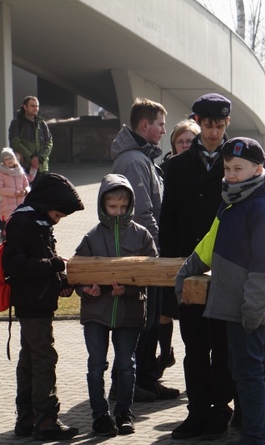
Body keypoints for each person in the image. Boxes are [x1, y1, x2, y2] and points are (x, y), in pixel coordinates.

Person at [176, 137, 265, 445]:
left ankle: (256, 437)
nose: (231, 174)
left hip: (248, 310)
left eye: (238, 168)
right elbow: (212, 242)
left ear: (258, 168)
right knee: (245, 373)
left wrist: (254, 309)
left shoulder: (262, 207)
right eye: (227, 168)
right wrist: (189, 268)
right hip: (233, 306)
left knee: (252, 376)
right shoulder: (232, 201)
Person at [159, 93, 236, 440]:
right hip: (188, 268)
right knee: (193, 345)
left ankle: (221, 409)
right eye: (208, 125)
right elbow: (168, 220)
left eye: (220, 125)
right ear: (197, 121)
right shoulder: (176, 166)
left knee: (222, 343)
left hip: (227, 265)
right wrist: (172, 269)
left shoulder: (238, 161)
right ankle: (196, 411)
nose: (214, 132)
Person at [74, 174, 157, 436]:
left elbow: (151, 273)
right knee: (96, 364)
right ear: (103, 205)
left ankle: (123, 412)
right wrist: (87, 289)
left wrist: (130, 289)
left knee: (126, 364)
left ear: (130, 205)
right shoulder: (92, 237)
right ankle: (100, 416)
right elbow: (76, 272)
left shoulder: (142, 236)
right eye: (113, 207)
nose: (118, 212)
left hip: (129, 312)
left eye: (123, 207)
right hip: (96, 311)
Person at [3, 173, 84, 440]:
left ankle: (26, 419)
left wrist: (60, 280)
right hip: (31, 304)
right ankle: (46, 420)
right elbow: (15, 265)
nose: (57, 220)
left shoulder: (37, 221)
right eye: (58, 215)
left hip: (38, 301)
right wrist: (56, 266)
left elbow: (43, 256)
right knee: (44, 359)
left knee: (29, 360)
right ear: (46, 203)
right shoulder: (23, 222)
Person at [110, 97, 179, 402]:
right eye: (161, 124)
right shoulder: (135, 161)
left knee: (149, 321)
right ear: (144, 125)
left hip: (143, 253)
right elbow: (143, 213)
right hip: (141, 256)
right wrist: (157, 253)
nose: (164, 131)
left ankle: (146, 379)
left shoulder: (141, 157)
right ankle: (132, 383)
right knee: (141, 321)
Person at [158, 118, 200, 377]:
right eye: (180, 141)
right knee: (167, 309)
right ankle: (165, 353)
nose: (185, 145)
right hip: (173, 252)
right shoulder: (167, 170)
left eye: (189, 141)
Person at [7, 96, 53, 184]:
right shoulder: (17, 123)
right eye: (32, 106)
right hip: (24, 167)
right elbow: (15, 142)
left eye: (37, 106)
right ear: (25, 107)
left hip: (41, 167)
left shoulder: (42, 123)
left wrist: (40, 158)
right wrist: (31, 157)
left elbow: (49, 142)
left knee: (41, 194)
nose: (35, 108)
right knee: (26, 195)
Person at [0, 147, 29, 240]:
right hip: (7, 205)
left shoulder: (20, 171)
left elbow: (27, 185)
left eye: (11, 158)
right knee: (10, 230)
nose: (9, 160)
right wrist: (14, 193)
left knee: (21, 229)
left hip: (21, 204)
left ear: (14, 158)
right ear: (3, 161)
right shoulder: (1, 172)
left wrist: (25, 191)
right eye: (6, 159)